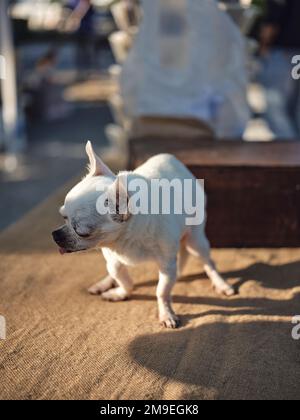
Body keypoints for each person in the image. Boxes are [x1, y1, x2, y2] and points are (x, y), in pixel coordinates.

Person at [259, 0, 300, 139]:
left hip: (285, 51)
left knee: (276, 104)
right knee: (293, 104)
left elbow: (272, 22)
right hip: (292, 52)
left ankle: (288, 145)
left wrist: (264, 46)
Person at [65, 0, 96, 78]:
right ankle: (80, 72)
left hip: (87, 29)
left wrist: (75, 18)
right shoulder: (73, 2)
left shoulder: (86, 2)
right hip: (79, 30)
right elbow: (68, 9)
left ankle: (87, 71)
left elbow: (85, 7)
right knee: (79, 51)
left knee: (86, 51)